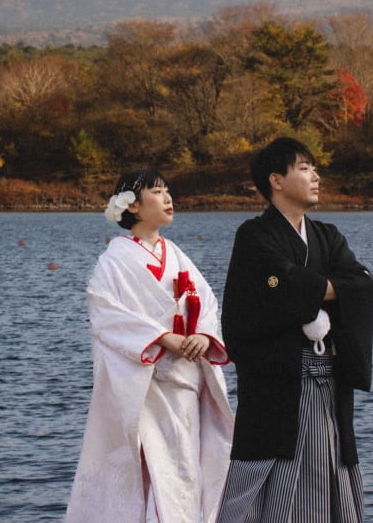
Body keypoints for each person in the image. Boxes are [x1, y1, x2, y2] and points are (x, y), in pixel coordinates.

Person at [215, 137, 373, 523]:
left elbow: (363, 282)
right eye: (304, 168)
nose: (316, 175)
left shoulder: (328, 235)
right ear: (277, 180)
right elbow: (282, 285)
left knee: (331, 468)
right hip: (279, 382)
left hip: (329, 380)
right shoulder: (254, 236)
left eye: (314, 167)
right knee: (266, 480)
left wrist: (311, 290)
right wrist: (326, 290)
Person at [65, 168, 234, 523]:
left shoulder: (175, 253)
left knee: (187, 468)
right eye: (157, 192)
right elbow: (105, 311)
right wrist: (161, 338)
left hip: (186, 380)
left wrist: (202, 335)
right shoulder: (115, 259)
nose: (168, 197)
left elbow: (206, 300)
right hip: (146, 384)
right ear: (135, 208)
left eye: (167, 190)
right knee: (155, 469)